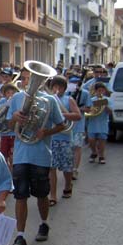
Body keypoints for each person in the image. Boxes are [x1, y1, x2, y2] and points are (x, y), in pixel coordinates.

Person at [7, 68, 66, 245]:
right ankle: (21, 235)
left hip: (41, 154)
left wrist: (46, 132)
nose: (28, 81)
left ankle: (44, 224)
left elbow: (62, 124)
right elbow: (8, 125)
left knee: (42, 194)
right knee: (20, 195)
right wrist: (14, 118)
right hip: (21, 154)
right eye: (27, 78)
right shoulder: (16, 98)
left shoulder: (49, 100)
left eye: (32, 78)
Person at [48, 76, 81, 205]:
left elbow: (77, 115)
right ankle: (53, 195)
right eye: (54, 87)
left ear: (64, 88)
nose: (57, 89)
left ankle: (68, 185)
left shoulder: (68, 99)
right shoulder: (49, 100)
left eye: (59, 87)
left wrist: (62, 115)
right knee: (52, 168)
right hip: (52, 138)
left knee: (67, 168)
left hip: (65, 138)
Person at [67, 76, 92, 180]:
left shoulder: (85, 93)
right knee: (68, 149)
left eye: (77, 83)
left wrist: (77, 108)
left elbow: (88, 108)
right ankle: (68, 168)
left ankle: (75, 169)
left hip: (79, 125)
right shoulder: (66, 93)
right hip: (67, 125)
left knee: (77, 147)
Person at [0, 83, 19, 170]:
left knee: (13, 157)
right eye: (8, 93)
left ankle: (13, 175)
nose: (10, 95)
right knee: (4, 156)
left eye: (13, 93)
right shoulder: (2, 101)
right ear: (5, 94)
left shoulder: (17, 102)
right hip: (4, 133)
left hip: (14, 133)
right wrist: (6, 104)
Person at [87, 82, 113, 165]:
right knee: (91, 140)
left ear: (104, 91)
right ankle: (94, 152)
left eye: (102, 90)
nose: (100, 92)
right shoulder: (91, 100)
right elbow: (88, 110)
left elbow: (110, 112)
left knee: (102, 140)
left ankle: (101, 155)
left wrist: (105, 105)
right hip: (92, 123)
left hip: (103, 123)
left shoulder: (107, 100)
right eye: (99, 91)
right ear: (95, 91)